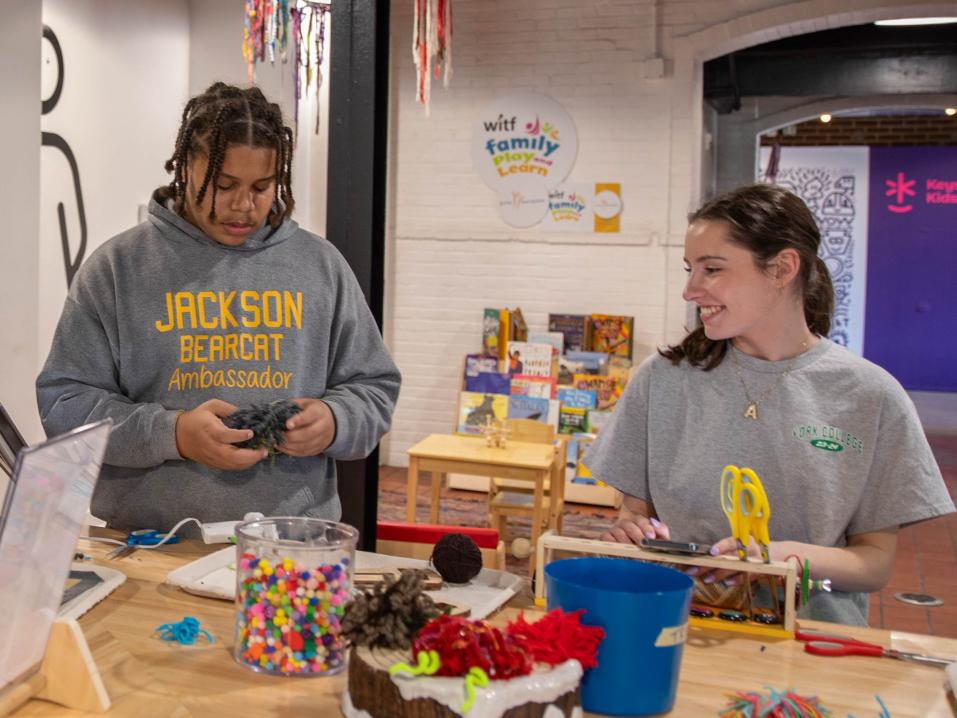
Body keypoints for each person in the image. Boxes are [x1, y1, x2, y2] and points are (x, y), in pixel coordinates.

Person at [36, 82, 401, 532]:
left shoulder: (320, 266)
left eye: (262, 187)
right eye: (223, 185)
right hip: (151, 543)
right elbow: (64, 405)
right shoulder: (116, 269)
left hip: (290, 540)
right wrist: (173, 434)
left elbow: (375, 388)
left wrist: (334, 420)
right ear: (186, 168)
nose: (244, 206)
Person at [586, 183, 953, 625]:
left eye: (712, 269)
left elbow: (873, 563)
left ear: (782, 268)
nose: (690, 290)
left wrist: (788, 557)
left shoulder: (871, 396)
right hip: (675, 627)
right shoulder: (662, 380)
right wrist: (632, 528)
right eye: (690, 269)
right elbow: (634, 511)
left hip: (810, 640)